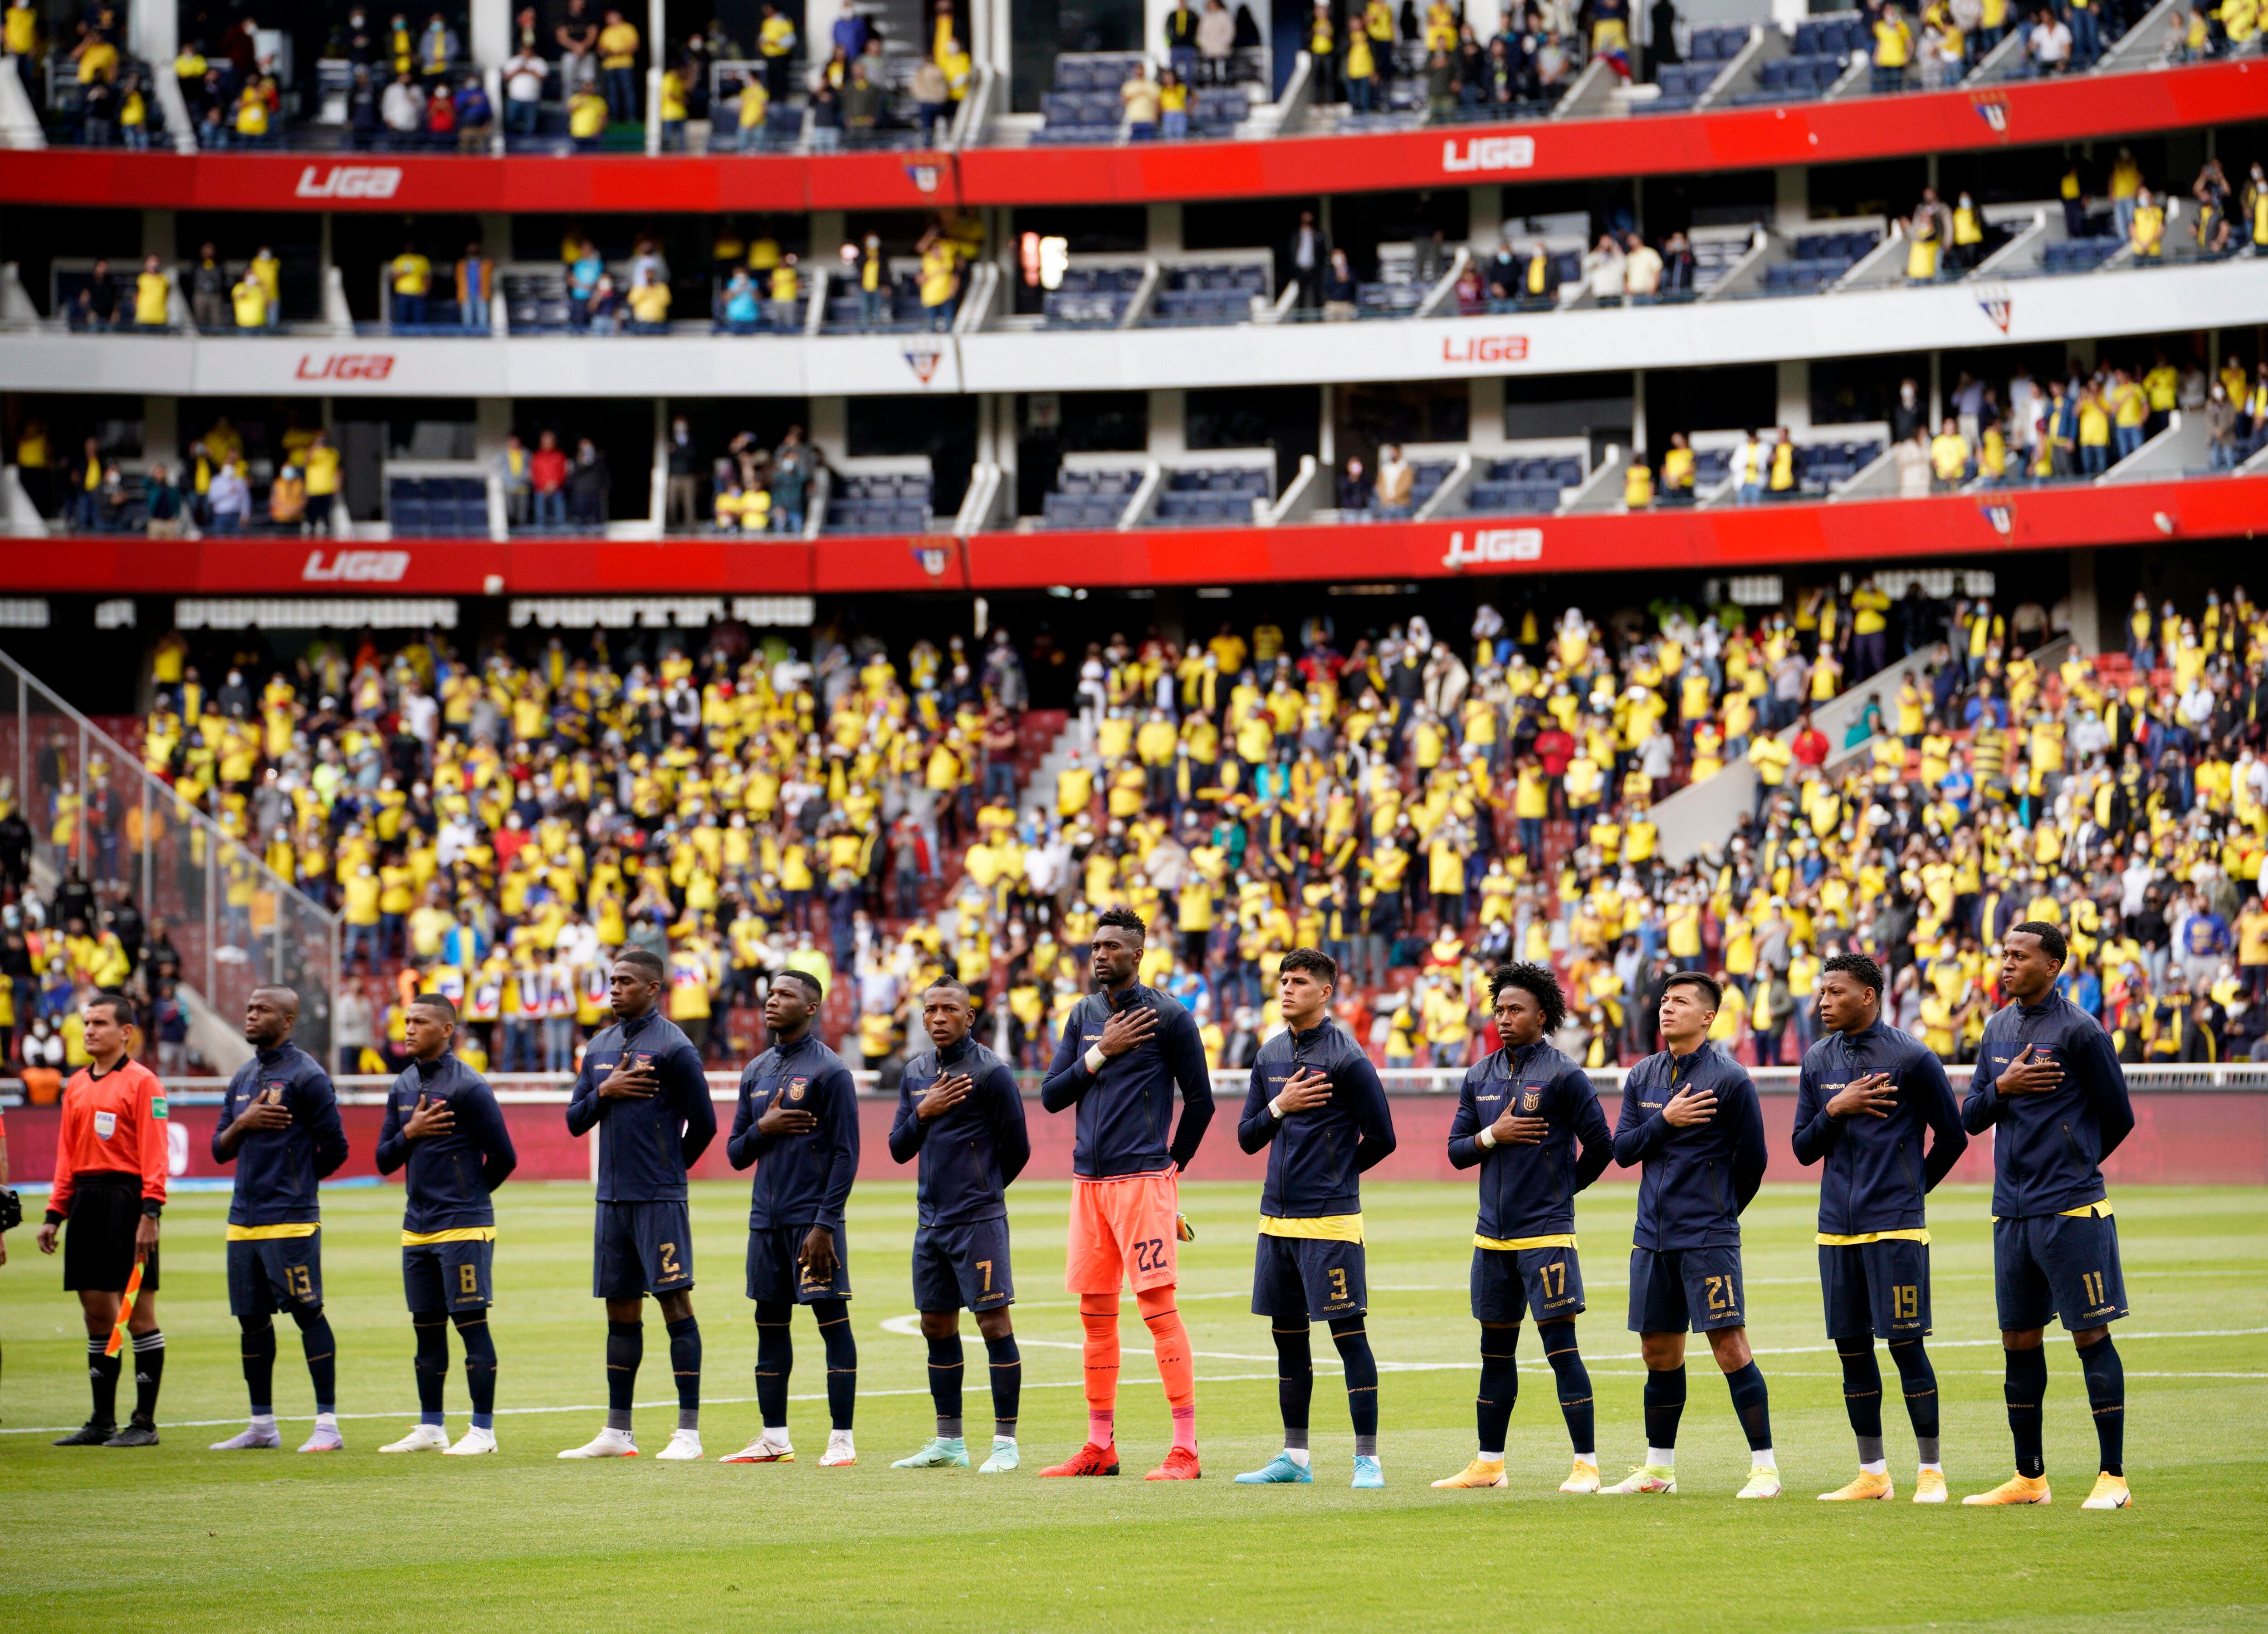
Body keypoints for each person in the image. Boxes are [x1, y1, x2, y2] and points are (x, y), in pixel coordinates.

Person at [1959, 922, 2136, 1510]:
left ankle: (2113, 1476)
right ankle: (2029, 1478)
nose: (2007, 964)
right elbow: (1972, 1114)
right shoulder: (1996, 1028)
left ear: (2053, 964)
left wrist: (2073, 1162)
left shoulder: (2081, 1031)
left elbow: (2118, 1116)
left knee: (2090, 1334)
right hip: (2011, 1212)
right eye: (2004, 954)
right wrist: (2004, 1087)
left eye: (2020, 955)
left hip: (2070, 1208)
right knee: (2018, 1341)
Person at [1037, 906, 1215, 1479]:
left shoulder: (1170, 1016)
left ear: (1137, 954)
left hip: (1142, 1181)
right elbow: (1051, 1096)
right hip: (1087, 1182)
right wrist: (1100, 1051)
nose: (1099, 954)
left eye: (1112, 946)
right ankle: (1100, 1446)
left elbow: (1201, 1101)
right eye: (1095, 946)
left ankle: (1184, 1448)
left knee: (1157, 1309)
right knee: (1094, 1314)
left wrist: (1171, 1169)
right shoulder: (1082, 1017)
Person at [1792, 953, 1967, 1502]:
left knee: (1906, 1347)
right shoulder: (1817, 1059)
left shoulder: (1912, 1056)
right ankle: (1872, 1473)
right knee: (1851, 1352)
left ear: (1867, 995)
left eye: (1835, 991)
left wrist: (1910, 1193)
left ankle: (1930, 1471)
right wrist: (1837, 1108)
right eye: (1821, 992)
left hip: (1892, 1228)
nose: (1823, 1001)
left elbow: (1953, 1137)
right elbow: (1801, 1148)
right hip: (1834, 1231)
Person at [1433, 961, 1612, 1492]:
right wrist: (1494, 1134)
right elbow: (1456, 1152)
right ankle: (1489, 1463)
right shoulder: (1479, 1074)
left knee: (1561, 1350)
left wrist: (1560, 1194)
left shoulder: (1563, 1074)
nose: (1504, 1017)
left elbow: (1602, 1147)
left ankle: (1586, 1464)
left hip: (1546, 1237)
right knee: (1494, 1351)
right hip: (1491, 1238)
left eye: (1515, 1009)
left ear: (1542, 1014)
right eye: (1499, 1009)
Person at [1602, 971, 1777, 1497]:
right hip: (1651, 1237)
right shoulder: (1643, 1076)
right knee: (1657, 1351)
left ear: (1707, 1016)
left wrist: (1718, 1215)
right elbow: (1624, 1148)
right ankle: (1658, 1470)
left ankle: (1765, 1467)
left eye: (1679, 1001)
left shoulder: (1729, 1079)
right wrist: (1667, 1121)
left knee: (1729, 1345)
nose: (1666, 1008)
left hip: (1706, 1236)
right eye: (1663, 1000)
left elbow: (1753, 1162)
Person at [1232, 949, 1396, 1489]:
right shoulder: (1269, 1053)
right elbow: (1247, 1136)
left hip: (1329, 1222)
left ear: (1325, 992)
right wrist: (1280, 1104)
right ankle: (1294, 1458)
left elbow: (1383, 1137)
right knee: (1288, 1340)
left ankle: (1366, 1459)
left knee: (1349, 1337)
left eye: (1299, 981)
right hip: (1275, 1222)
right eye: (1282, 980)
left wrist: (1335, 1175)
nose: (1286, 989)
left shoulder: (1347, 1058)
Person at [557, 948, 717, 1461]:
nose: (615, 988)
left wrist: (670, 1172)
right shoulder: (599, 1046)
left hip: (658, 1198)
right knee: (620, 1312)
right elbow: (575, 1119)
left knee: (674, 1304)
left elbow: (706, 1123)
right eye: (612, 980)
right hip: (611, 1200)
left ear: (653, 988)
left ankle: (687, 1431)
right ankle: (617, 1431)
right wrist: (605, 1090)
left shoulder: (675, 1047)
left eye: (626, 981)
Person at [884, 978, 1031, 1473]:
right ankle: (949, 1441)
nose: (939, 1017)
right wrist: (923, 1114)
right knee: (935, 1324)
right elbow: (899, 1147)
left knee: (993, 1324)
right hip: (931, 1222)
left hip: (978, 1220)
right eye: (930, 1009)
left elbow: (1018, 1149)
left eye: (950, 1008)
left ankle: (1005, 1443)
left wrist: (983, 1190)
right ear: (922, 1018)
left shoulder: (991, 1072)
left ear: (969, 1017)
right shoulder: (914, 1073)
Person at [718, 969, 862, 1468]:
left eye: (786, 994)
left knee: (832, 1322)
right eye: (771, 993)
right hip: (766, 1222)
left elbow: (847, 1154)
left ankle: (841, 1438)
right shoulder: (756, 1070)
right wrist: (765, 1125)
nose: (772, 1000)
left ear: (810, 1008)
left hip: (812, 1223)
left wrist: (826, 1224)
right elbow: (736, 1152)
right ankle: (773, 1437)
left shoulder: (830, 1072)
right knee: (769, 1325)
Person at [370, 995, 516, 1455]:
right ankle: (431, 1425)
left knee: (471, 1324)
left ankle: (483, 1431)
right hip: (417, 1226)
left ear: (447, 1029)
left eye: (419, 1021)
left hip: (461, 1226)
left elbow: (504, 1157)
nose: (408, 1028)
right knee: (426, 1327)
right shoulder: (403, 1084)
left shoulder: (469, 1086)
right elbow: (383, 1158)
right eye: (406, 1020)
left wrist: (468, 1198)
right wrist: (409, 1132)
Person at [208, 985, 351, 1453]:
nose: (250, 1015)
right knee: (251, 1320)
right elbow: (218, 1148)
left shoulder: (307, 1075)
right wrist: (243, 1122)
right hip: (242, 1220)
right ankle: (262, 1425)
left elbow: (336, 1148)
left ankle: (327, 1424)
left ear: (287, 1020)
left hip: (289, 1220)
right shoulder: (245, 1076)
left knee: (308, 1313)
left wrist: (298, 1185)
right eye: (248, 1008)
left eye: (262, 1009)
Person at [37, 993, 168, 1447]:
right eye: (87, 1022)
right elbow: (66, 1155)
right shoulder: (74, 1085)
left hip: (129, 1200)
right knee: (96, 1314)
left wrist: (151, 1210)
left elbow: (156, 1151)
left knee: (136, 1313)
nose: (89, 1029)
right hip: (87, 1202)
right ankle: (101, 1420)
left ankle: (144, 1423)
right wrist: (56, 1212)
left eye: (99, 1022)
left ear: (125, 1031)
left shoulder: (143, 1082)